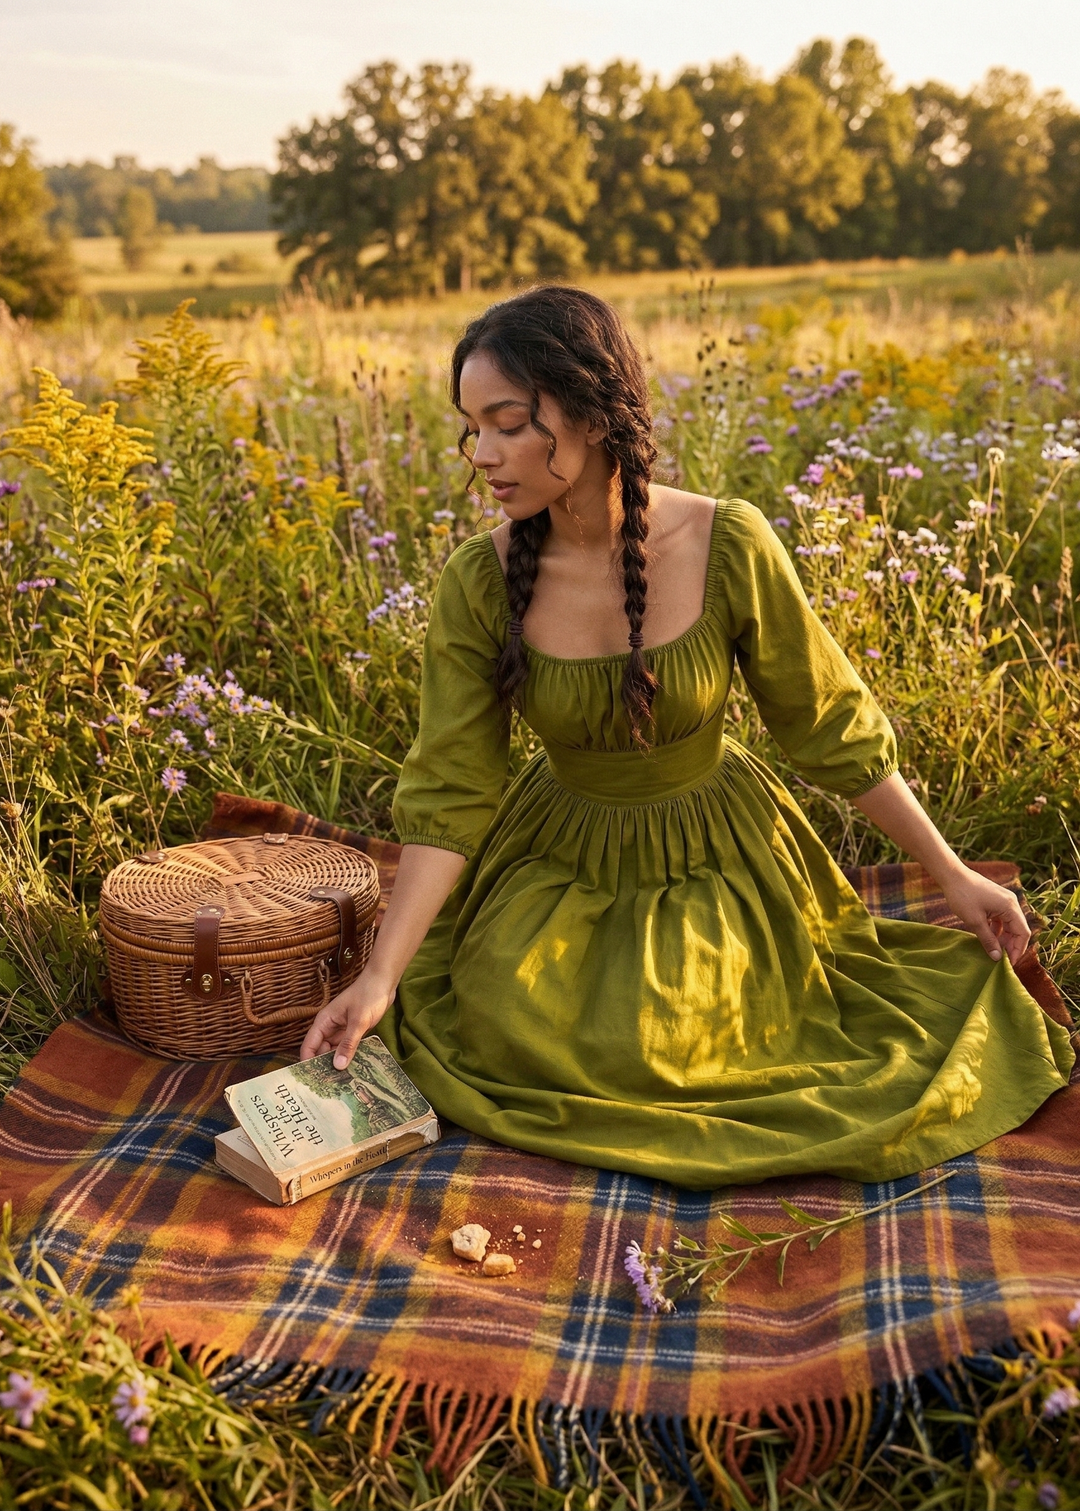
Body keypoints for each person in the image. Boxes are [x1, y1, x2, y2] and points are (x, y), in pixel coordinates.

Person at [300, 286, 1073, 1189]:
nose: (484, 456)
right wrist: (382, 977)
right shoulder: (479, 581)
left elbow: (829, 729)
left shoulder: (727, 541)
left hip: (718, 854)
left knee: (695, 1035)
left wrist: (953, 874)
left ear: (588, 412)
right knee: (511, 1018)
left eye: (507, 424)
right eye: (472, 429)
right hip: (559, 855)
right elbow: (450, 790)